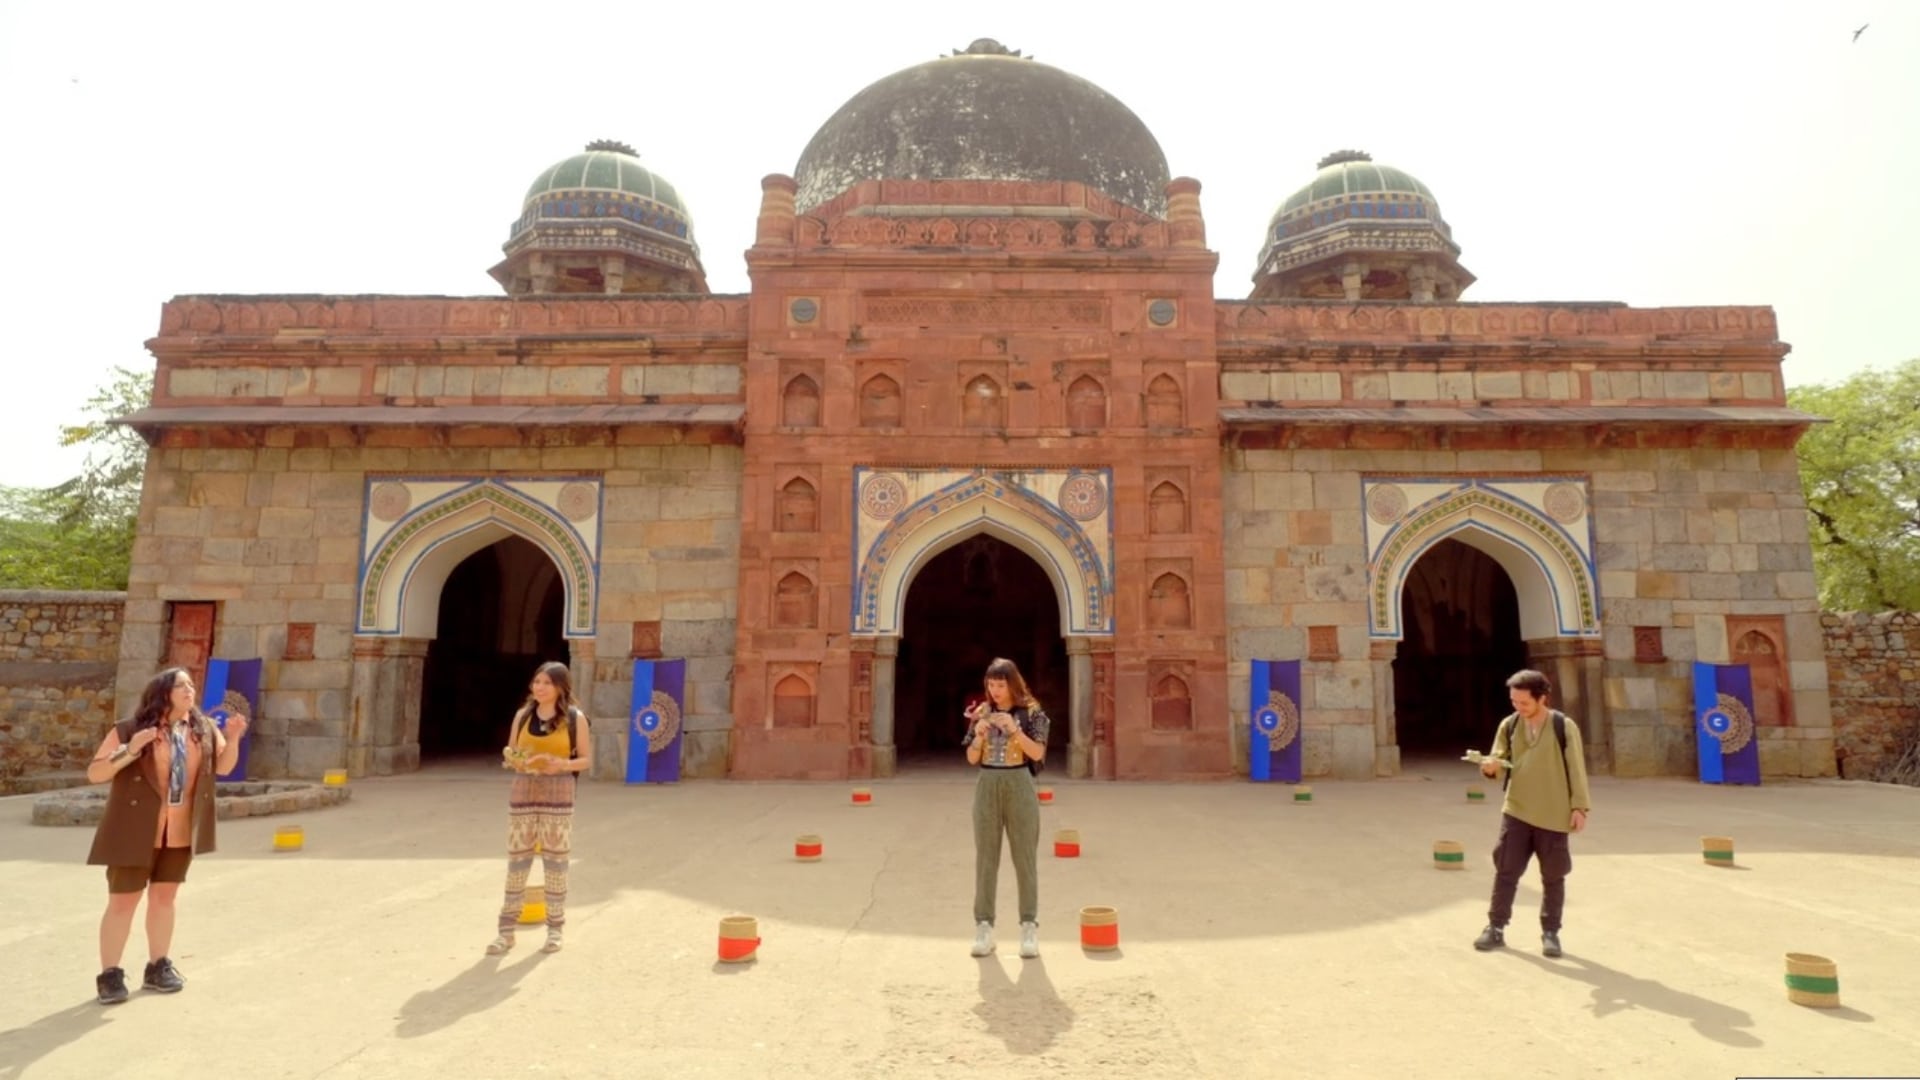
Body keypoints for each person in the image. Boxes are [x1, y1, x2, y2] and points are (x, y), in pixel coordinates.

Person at [84, 667, 248, 1005]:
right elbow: (96, 772)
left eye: (191, 685)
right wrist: (130, 749)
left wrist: (232, 739)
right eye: (181, 685)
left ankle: (158, 966)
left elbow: (224, 767)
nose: (190, 691)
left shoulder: (202, 729)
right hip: (134, 829)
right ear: (163, 693)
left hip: (179, 830)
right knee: (122, 902)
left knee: (164, 899)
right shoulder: (130, 730)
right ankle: (110, 974)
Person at [1473, 669, 1592, 957]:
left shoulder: (1564, 726)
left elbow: (1576, 768)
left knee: (1553, 875)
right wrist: (1489, 767)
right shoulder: (1510, 724)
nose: (1518, 707)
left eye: (1524, 703)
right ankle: (1495, 927)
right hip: (1517, 808)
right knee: (1506, 869)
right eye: (1514, 702)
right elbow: (1499, 759)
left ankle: (1551, 932)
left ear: (1542, 698)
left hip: (1553, 813)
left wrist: (1580, 807)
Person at [488, 661, 593, 956]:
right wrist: (516, 759)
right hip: (524, 790)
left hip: (559, 792)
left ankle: (555, 930)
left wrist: (562, 764)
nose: (539, 688)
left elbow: (586, 760)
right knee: (517, 861)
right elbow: (511, 751)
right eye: (537, 682)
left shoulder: (575, 719)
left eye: (547, 683)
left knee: (556, 862)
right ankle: (505, 931)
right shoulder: (523, 716)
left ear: (560, 687)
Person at [962, 657, 1050, 959]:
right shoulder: (982, 712)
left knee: (1024, 857)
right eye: (991, 684)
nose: (995, 690)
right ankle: (984, 926)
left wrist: (1014, 730)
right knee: (986, 857)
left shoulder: (1032, 712)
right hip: (987, 783)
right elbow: (972, 758)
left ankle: (1029, 926)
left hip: (1019, 784)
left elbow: (1038, 752)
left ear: (1012, 684)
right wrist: (979, 735)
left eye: (1000, 685)